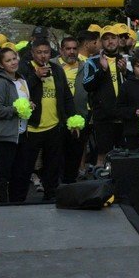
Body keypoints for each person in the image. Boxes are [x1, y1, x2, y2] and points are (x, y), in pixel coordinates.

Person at [10, 39, 69, 203]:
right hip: (32, 128)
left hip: (53, 125)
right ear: (32, 53)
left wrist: (70, 119)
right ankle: (18, 199)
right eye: (39, 52)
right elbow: (19, 92)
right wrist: (35, 76)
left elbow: (66, 95)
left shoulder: (56, 69)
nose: (43, 56)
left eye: (46, 52)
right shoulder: (23, 69)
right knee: (24, 167)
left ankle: (51, 196)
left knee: (52, 167)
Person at [82, 26, 130, 168]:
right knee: (102, 153)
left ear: (118, 40)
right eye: (106, 39)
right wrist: (102, 70)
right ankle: (102, 181)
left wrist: (125, 72)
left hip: (124, 114)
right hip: (103, 115)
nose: (110, 42)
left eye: (113, 38)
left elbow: (136, 84)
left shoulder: (127, 60)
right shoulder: (92, 62)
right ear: (101, 42)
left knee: (125, 153)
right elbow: (87, 85)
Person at [0, 46, 30, 205]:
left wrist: (28, 105)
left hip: (22, 133)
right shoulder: (0, 82)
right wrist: (16, 109)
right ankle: (3, 205)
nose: (13, 62)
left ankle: (17, 202)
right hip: (6, 135)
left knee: (20, 172)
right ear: (1, 65)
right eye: (8, 60)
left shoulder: (21, 79)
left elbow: (23, 103)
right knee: (3, 174)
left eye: (14, 58)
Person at [58, 34, 91, 183]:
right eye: (68, 49)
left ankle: (70, 185)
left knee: (75, 155)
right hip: (57, 119)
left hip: (79, 118)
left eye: (74, 48)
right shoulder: (52, 66)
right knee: (57, 157)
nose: (71, 52)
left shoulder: (86, 66)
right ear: (61, 50)